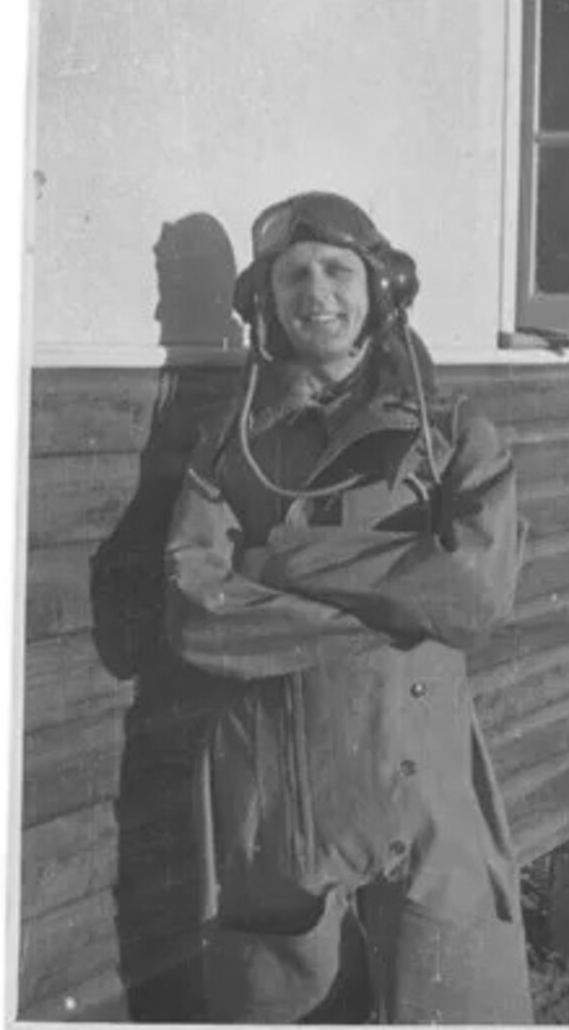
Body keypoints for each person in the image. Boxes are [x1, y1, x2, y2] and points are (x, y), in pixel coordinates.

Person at [164, 191, 533, 1024]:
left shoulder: (453, 433)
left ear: (382, 288)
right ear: (265, 301)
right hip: (280, 794)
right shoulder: (230, 443)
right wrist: (400, 605)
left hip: (427, 790)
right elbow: (195, 611)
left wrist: (278, 562)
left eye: (337, 270)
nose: (316, 292)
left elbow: (473, 594)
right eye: (292, 275)